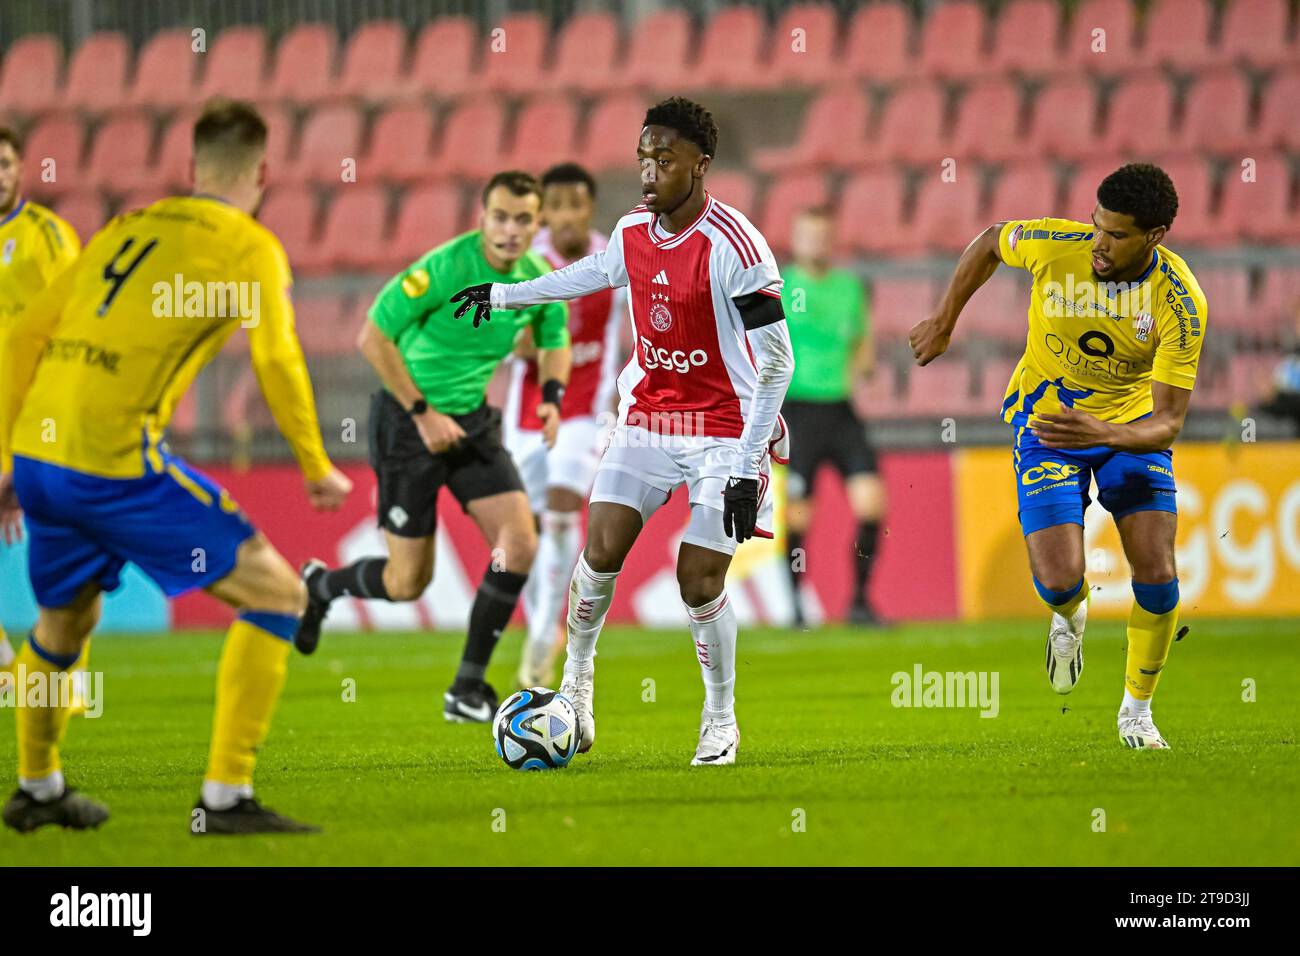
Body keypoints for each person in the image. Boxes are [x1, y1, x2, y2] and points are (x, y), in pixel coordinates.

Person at [0, 99, 352, 833]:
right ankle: (226, 796)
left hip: (39, 453)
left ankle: (38, 786)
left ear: (189, 170)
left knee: (64, 622)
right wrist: (316, 465)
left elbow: (26, 334)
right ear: (263, 173)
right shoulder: (248, 245)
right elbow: (277, 356)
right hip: (112, 460)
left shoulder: (125, 226)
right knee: (281, 597)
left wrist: (6, 457)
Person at [451, 98, 794, 766]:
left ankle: (720, 718)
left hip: (726, 428)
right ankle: (576, 688)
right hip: (649, 418)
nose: (650, 171)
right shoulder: (633, 230)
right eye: (643, 157)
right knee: (599, 551)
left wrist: (751, 465)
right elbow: (589, 276)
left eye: (665, 159)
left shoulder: (737, 246)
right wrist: (502, 295)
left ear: (701, 164)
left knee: (697, 579)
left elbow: (778, 362)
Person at [908, 163, 1207, 749]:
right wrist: (946, 320)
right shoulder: (1055, 245)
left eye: (1117, 235)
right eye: (1097, 226)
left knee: (1158, 570)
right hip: (1046, 421)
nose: (1099, 243)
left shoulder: (1179, 301)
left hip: (1127, 431)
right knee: (1059, 577)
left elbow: (1168, 423)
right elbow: (992, 241)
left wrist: (1104, 430)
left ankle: (1136, 713)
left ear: (1155, 236)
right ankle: (1069, 616)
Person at [297, 171, 572, 724]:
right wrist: (423, 415)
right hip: (407, 423)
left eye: (523, 219)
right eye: (501, 216)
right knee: (406, 583)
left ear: (536, 224)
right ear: (482, 216)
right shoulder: (445, 267)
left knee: (519, 543)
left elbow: (554, 333)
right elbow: (372, 337)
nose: (511, 229)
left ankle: (466, 687)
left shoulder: (538, 279)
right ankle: (321, 584)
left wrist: (551, 396)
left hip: (470, 424)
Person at [506, 163, 626, 688]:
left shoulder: (614, 259)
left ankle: (541, 636)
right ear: (544, 214)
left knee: (559, 513)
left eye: (576, 205)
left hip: (586, 408)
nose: (567, 217)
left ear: (589, 208)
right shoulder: (527, 265)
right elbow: (514, 345)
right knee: (525, 532)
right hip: (528, 412)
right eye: (556, 207)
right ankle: (543, 625)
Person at [0, 125, 93, 707]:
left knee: (61, 533)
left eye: (6, 164)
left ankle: (70, 672)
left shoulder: (46, 236)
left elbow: (78, 315)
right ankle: (10, 673)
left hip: (43, 411)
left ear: (20, 171)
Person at [779, 206, 886, 627]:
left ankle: (860, 601)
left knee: (871, 503)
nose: (816, 243)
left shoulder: (849, 287)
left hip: (841, 410)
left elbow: (862, 337)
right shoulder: (780, 286)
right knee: (799, 515)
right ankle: (796, 606)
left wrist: (866, 363)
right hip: (798, 411)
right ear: (796, 238)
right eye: (809, 235)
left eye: (824, 236)